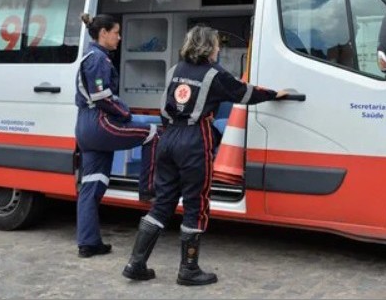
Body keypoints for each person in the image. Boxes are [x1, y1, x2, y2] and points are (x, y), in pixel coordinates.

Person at [122, 25, 288, 285]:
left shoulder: (173, 71)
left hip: (169, 137)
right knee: (196, 203)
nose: (219, 49)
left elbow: (164, 108)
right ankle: (188, 270)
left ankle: (136, 263)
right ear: (209, 47)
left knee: (163, 202)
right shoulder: (215, 75)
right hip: (194, 141)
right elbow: (244, 93)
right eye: (217, 45)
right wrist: (274, 94)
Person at [75, 13, 159, 258]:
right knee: (152, 133)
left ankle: (88, 243)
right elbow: (102, 97)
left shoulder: (91, 57)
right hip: (99, 123)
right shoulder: (98, 59)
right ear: (103, 34)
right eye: (116, 33)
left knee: (92, 185)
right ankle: (148, 189)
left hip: (85, 126)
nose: (120, 38)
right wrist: (125, 113)